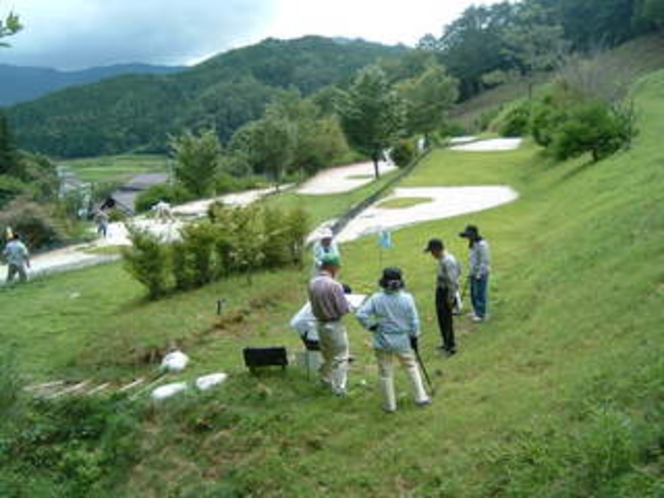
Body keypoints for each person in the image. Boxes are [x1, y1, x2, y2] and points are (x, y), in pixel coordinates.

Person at [356, 267, 431, 413]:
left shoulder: (376, 298)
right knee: (410, 366)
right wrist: (414, 336)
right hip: (402, 340)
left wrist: (372, 326)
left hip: (382, 340)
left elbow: (360, 315)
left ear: (383, 282)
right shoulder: (407, 298)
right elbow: (414, 321)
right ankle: (421, 397)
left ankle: (389, 406)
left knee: (385, 372)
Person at [308, 253, 351, 396]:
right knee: (341, 356)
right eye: (337, 266)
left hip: (319, 324)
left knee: (327, 355)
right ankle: (339, 389)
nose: (338, 269)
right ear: (332, 267)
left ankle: (325, 379)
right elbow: (343, 309)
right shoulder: (334, 285)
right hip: (334, 324)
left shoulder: (312, 283)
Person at [424, 238, 461, 355]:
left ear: (436, 250)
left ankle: (451, 346)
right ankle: (446, 341)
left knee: (446, 319)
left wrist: (451, 297)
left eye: (431, 251)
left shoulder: (448, 261)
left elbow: (453, 281)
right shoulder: (441, 259)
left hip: (446, 292)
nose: (431, 254)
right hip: (441, 290)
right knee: (441, 318)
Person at [459, 224, 491, 322]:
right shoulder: (472, 243)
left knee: (480, 293)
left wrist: (479, 274)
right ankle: (476, 311)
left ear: (474, 234)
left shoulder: (482, 245)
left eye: (469, 235)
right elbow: (473, 260)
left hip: (481, 273)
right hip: (473, 273)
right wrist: (471, 272)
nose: (467, 237)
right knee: (473, 293)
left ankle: (481, 314)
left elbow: (484, 261)